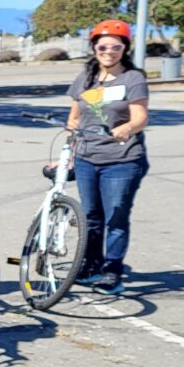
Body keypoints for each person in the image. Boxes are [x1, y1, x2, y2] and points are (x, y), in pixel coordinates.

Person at [66, 19, 149, 296]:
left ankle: (112, 270)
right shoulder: (85, 79)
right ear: (94, 48)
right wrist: (68, 152)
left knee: (115, 216)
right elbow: (74, 119)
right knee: (90, 216)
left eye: (116, 46)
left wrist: (126, 128)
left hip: (122, 159)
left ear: (125, 48)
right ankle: (91, 266)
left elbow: (140, 117)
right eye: (103, 46)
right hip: (87, 157)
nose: (109, 51)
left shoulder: (133, 79)